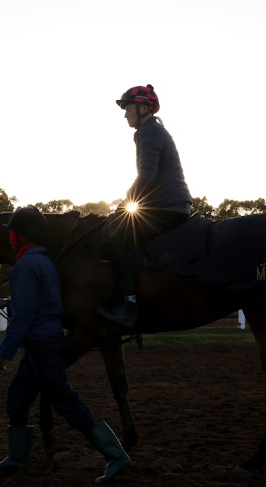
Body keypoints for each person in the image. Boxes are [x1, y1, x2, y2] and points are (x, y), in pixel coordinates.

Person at [0, 206, 130, 484]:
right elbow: (36, 302)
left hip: (40, 344)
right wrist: (7, 303)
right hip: (44, 341)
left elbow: (26, 315)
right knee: (17, 398)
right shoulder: (43, 262)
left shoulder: (25, 265)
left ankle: (115, 455)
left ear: (20, 235)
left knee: (64, 400)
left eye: (12, 233)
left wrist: (4, 351)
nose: (10, 239)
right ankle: (17, 458)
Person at [98, 84, 193, 327]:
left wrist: (124, 205)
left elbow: (146, 177)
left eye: (128, 108)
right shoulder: (153, 130)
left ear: (143, 108)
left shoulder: (148, 132)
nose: (125, 114)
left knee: (118, 237)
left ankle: (128, 305)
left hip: (167, 206)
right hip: (170, 204)